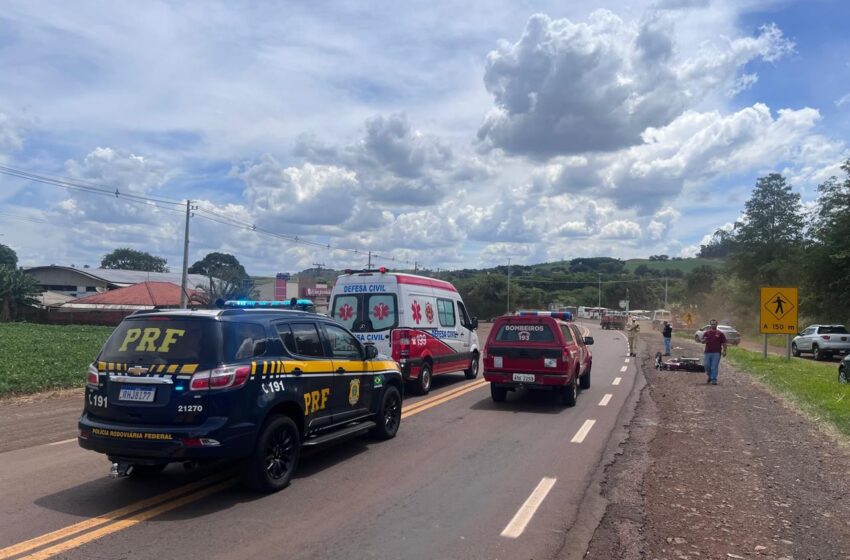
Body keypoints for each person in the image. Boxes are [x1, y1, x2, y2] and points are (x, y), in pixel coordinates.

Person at [702, 319, 728, 385]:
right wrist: (704, 340)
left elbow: (724, 343)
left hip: (716, 352)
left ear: (716, 325)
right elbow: (702, 341)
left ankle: (714, 379)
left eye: (714, 324)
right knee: (706, 365)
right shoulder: (706, 333)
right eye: (712, 324)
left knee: (714, 366)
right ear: (710, 325)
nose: (713, 325)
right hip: (707, 352)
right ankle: (710, 376)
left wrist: (724, 351)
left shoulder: (720, 333)